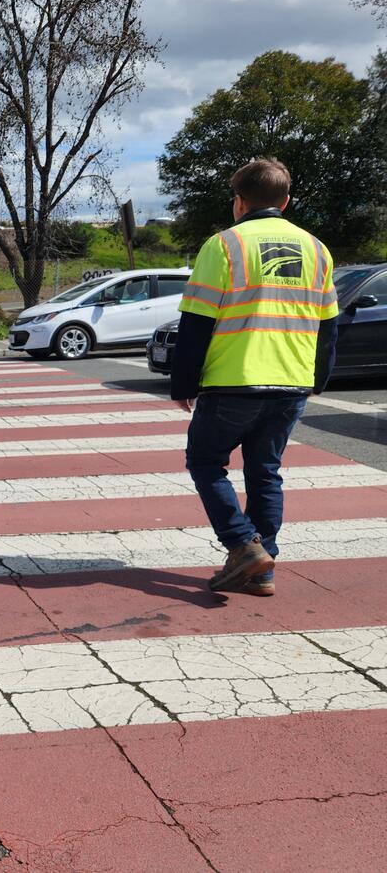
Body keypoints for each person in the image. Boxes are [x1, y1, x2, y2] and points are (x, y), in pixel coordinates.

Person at [171, 157, 339, 597]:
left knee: (206, 463)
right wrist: (318, 379)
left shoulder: (224, 246)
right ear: (285, 201)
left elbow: (196, 322)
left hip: (235, 379)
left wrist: (184, 382)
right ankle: (263, 570)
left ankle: (243, 545)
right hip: (292, 382)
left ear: (238, 202)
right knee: (265, 472)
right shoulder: (317, 249)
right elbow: (328, 326)